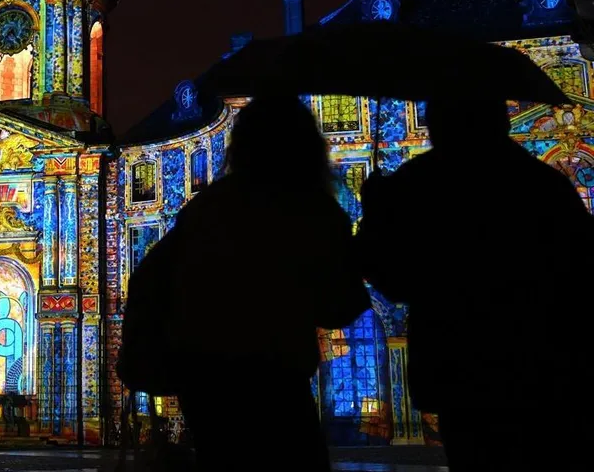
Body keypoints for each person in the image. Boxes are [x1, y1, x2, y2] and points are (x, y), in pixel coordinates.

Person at [119, 95, 370, 471]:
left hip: (206, 385)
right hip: (277, 382)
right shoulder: (310, 209)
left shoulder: (207, 207)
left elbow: (146, 279)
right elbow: (340, 305)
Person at [356, 98, 593, 471]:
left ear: (436, 124)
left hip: (459, 369)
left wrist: (374, 216)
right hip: (542, 367)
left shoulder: (416, 183)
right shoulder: (544, 184)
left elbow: (390, 280)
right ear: (501, 121)